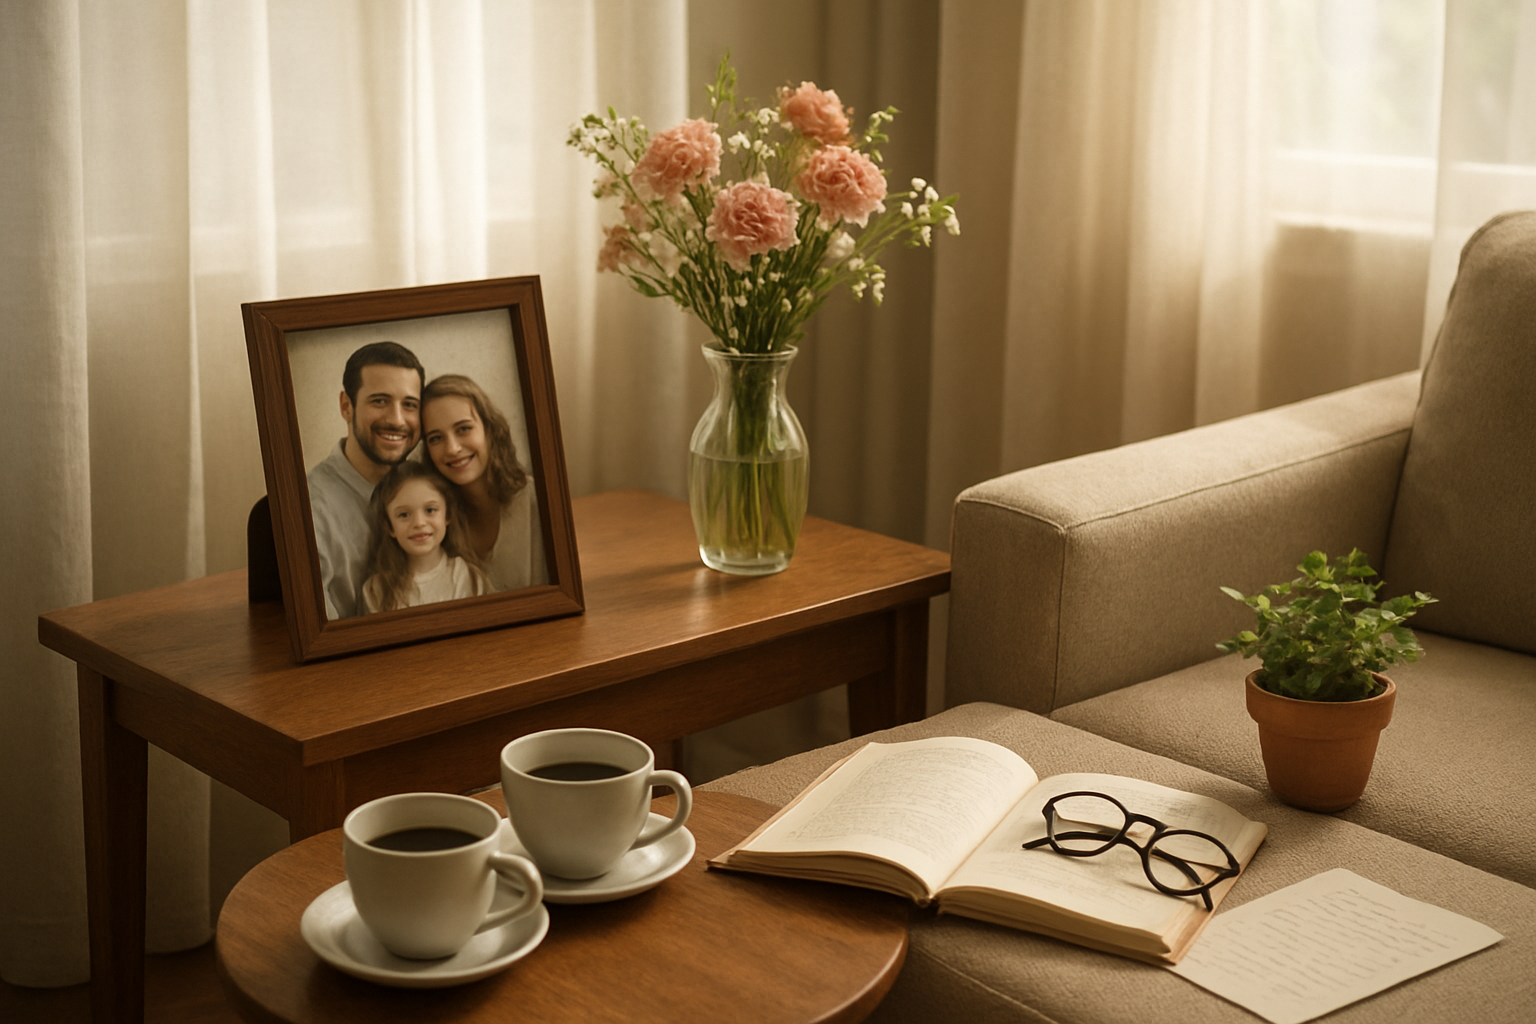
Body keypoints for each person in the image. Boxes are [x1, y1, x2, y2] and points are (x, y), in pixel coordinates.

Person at [306, 341, 424, 619]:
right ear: (346, 406)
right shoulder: (309, 508)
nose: (397, 420)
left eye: (409, 405)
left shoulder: (430, 486)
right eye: (380, 401)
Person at [420, 373, 549, 591]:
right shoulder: (430, 520)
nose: (452, 449)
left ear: (490, 430)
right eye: (436, 438)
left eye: (463, 429)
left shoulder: (538, 500)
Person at [360, 461, 491, 613]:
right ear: (389, 526)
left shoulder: (469, 578)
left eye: (430, 510)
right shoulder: (376, 591)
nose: (419, 523)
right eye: (404, 514)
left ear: (447, 515)